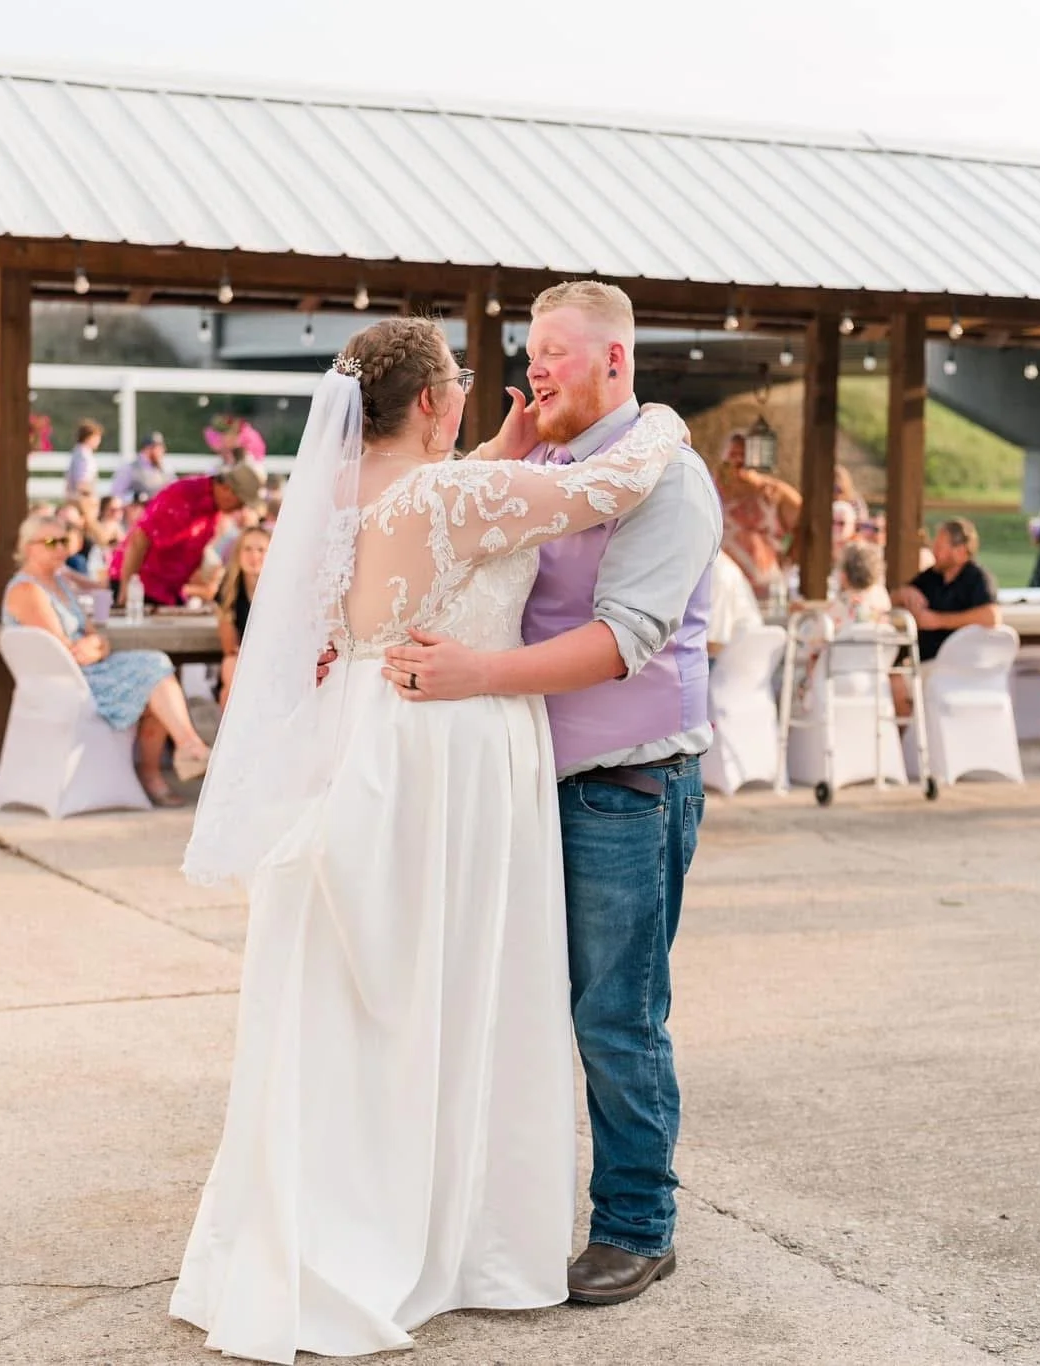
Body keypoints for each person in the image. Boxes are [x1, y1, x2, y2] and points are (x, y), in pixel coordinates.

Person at [172, 303, 698, 1360]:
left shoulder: (338, 492)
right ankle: (455, 1233)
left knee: (376, 1002)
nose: (488, 386)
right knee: (463, 990)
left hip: (364, 741)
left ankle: (343, 1219)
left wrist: (500, 445)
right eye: (464, 376)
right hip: (447, 750)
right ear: (429, 401)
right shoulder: (456, 492)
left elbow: (449, 520)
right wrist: (667, 424)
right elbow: (603, 483)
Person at [372, 283, 720, 1310]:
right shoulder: (551, 468)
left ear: (615, 360)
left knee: (615, 1019)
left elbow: (622, 640)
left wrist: (474, 673)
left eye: (554, 354)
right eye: (530, 351)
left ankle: (636, 1225)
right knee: (512, 1007)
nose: (535, 368)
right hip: (522, 789)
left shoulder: (669, 481)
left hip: (624, 788)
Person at [4, 514, 213, 806]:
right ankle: (180, 752)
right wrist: (90, 647)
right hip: (65, 682)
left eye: (64, 541)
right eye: (51, 542)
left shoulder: (60, 584)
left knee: (156, 673)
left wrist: (96, 647)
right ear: (28, 547)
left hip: (86, 669)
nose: (61, 548)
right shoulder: (27, 589)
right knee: (154, 667)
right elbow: (61, 648)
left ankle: (179, 751)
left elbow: (95, 635)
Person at [115, 461, 265, 609]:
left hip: (165, 594)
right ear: (227, 489)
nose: (239, 509)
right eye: (240, 503)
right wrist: (126, 589)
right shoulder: (184, 494)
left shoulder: (214, 511)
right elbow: (139, 539)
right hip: (137, 590)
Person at [796, 540, 895, 706]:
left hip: (835, 683)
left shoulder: (838, 609)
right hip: (874, 683)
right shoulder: (882, 603)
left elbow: (807, 646)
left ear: (843, 576)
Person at [712, 430, 802, 599]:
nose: (738, 460)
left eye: (743, 455)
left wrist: (788, 560)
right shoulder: (708, 489)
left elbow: (808, 526)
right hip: (720, 586)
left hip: (764, 586)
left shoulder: (774, 493)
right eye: (733, 454)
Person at [895, 518, 1000, 660]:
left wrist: (937, 621)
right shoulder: (932, 576)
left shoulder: (977, 578)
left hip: (960, 663)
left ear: (960, 551)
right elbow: (894, 598)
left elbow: (991, 616)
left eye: (939, 547)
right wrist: (903, 593)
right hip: (925, 661)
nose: (934, 552)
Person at [213, 525, 269, 703]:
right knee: (230, 664)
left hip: (271, 657)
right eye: (248, 549)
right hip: (242, 660)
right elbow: (229, 647)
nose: (254, 556)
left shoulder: (281, 590)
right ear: (238, 553)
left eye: (261, 550)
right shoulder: (229, 589)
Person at [702, 547, 761, 658]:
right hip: (724, 657)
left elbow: (714, 643)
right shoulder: (713, 566)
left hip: (730, 661)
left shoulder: (718, 573)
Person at [110, 430, 174, 506]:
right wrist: (134, 498)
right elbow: (116, 494)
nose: (161, 451)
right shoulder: (129, 468)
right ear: (147, 449)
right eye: (157, 448)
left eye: (161, 448)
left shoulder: (166, 469)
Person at [64, 419, 104, 505]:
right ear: (89, 437)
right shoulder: (84, 456)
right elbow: (82, 482)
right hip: (83, 500)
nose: (99, 441)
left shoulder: (77, 453)